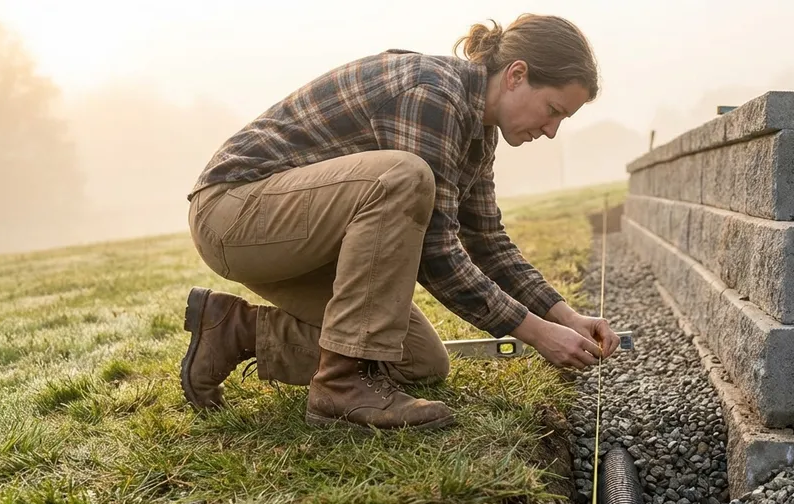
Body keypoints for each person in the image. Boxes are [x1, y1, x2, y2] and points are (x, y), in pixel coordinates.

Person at [181, 14, 620, 432]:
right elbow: (436, 253)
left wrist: (564, 316)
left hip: (298, 237)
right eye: (554, 110)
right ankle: (339, 386)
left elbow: (487, 241)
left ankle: (233, 330)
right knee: (404, 177)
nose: (551, 130)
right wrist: (538, 334)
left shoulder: (477, 129)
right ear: (516, 75)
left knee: (418, 360)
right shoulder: (433, 94)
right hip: (233, 213)